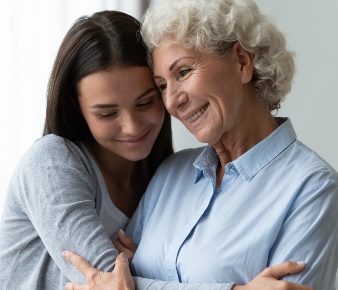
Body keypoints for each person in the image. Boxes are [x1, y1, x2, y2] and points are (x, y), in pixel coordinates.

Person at [63, 0, 338, 289]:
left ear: (242, 62)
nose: (171, 101)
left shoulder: (312, 186)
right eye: (162, 85)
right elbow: (112, 278)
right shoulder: (170, 174)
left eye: (182, 72)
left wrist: (139, 284)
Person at [0, 10, 173, 290]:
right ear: (75, 108)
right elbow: (111, 283)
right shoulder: (50, 162)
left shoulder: (170, 176)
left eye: (145, 103)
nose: (131, 127)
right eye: (107, 113)